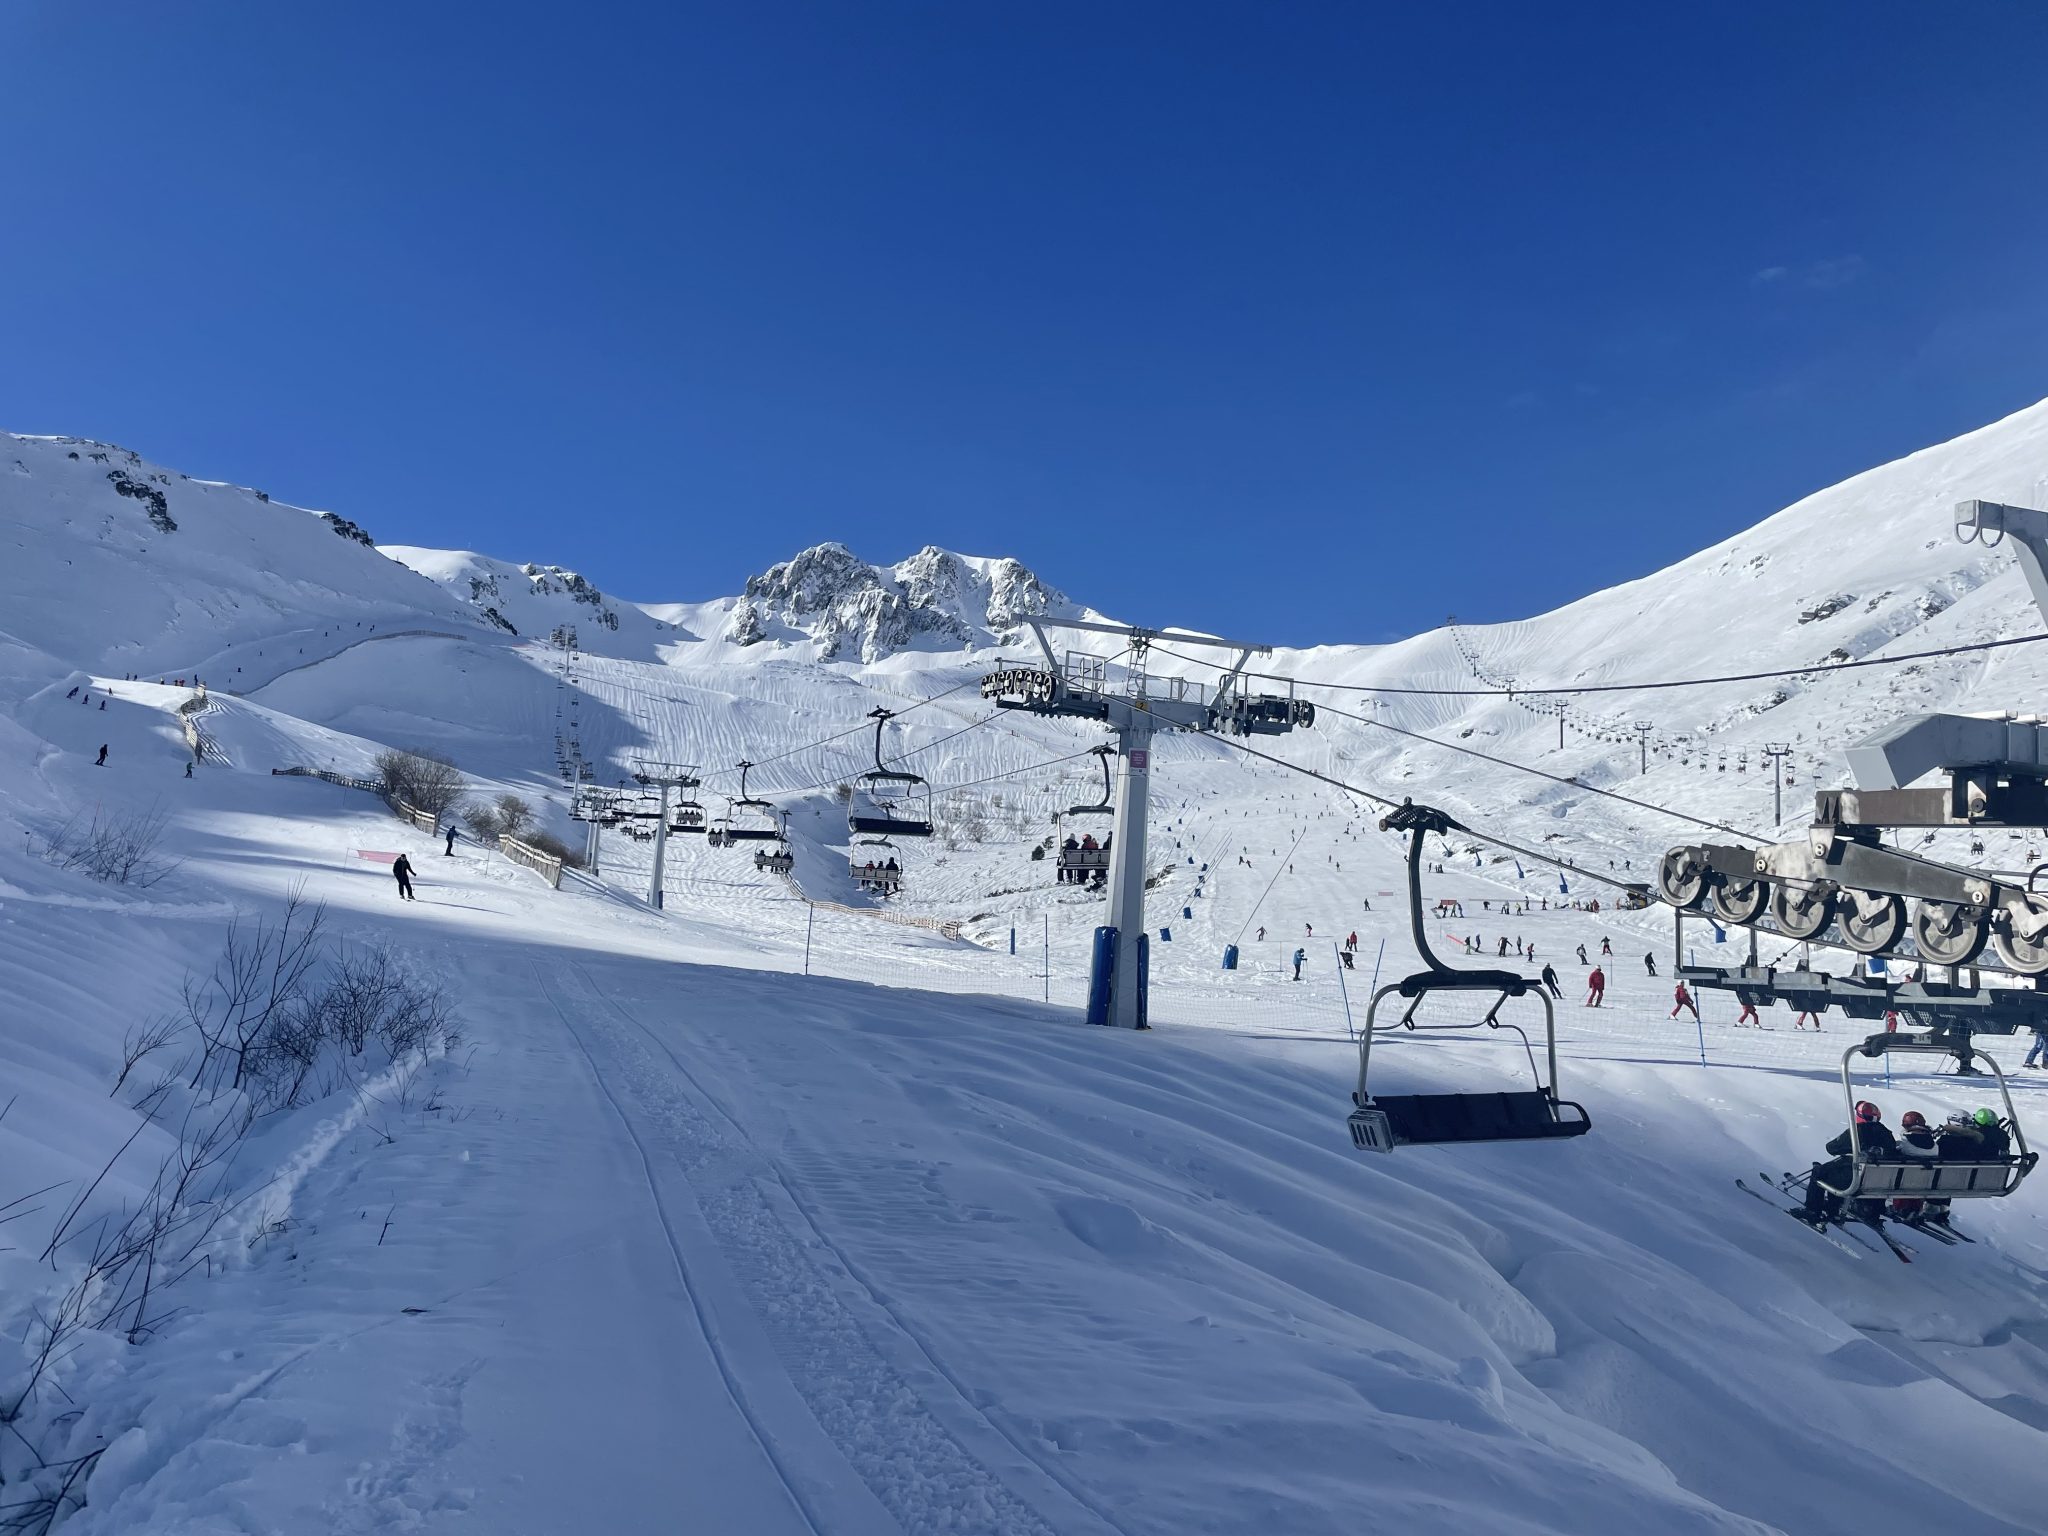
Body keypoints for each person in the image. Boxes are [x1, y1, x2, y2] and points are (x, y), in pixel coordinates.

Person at [1801, 1101, 1897, 1225]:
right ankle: (1838, 1207)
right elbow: (1892, 1150)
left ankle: (1813, 1210)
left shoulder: (1857, 1131)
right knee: (1837, 1172)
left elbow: (1831, 1147)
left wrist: (1848, 1148)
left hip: (1855, 1180)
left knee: (1820, 1172)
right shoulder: (1886, 1133)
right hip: (1879, 1182)